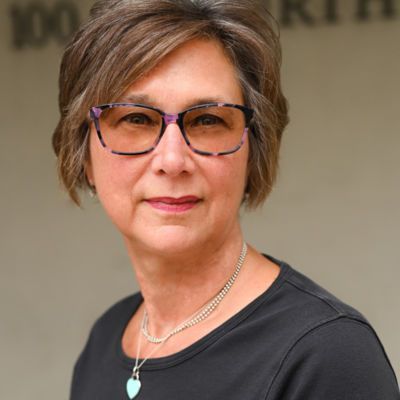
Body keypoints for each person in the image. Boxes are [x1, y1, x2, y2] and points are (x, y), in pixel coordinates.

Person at [52, 0, 400, 399]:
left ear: (254, 150)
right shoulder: (107, 338)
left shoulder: (324, 355)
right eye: (136, 118)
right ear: (83, 153)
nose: (172, 160)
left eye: (207, 121)